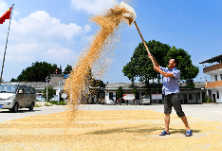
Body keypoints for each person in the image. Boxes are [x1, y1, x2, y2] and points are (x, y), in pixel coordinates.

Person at [148, 54, 193, 137]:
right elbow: (158, 66)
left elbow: (166, 75)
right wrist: (152, 58)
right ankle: (166, 130)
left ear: (174, 64)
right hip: (166, 93)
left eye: (170, 61)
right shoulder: (166, 69)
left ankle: (188, 128)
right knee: (166, 112)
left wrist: (158, 70)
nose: (169, 62)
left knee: (179, 112)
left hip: (174, 94)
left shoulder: (176, 71)